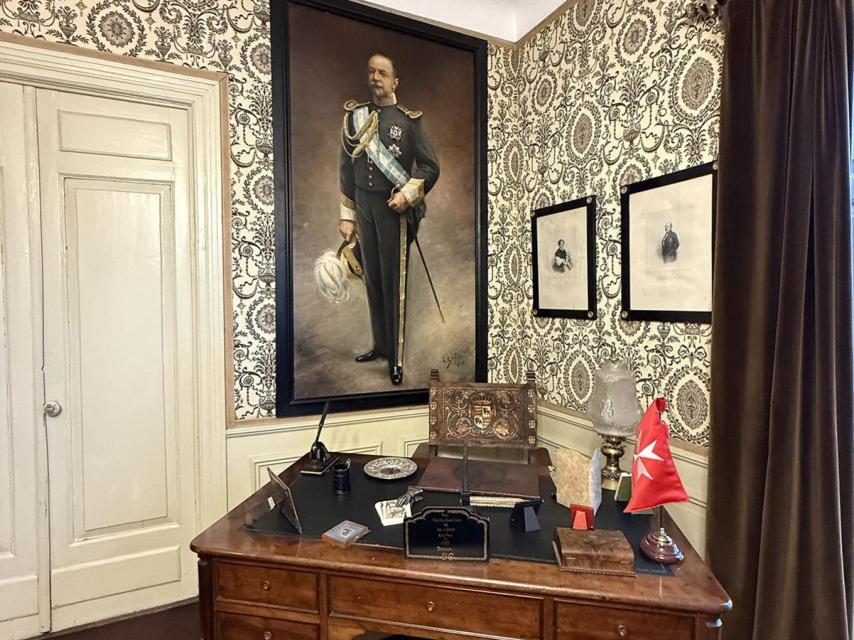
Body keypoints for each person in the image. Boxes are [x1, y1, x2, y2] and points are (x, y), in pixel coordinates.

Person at [338, 52, 440, 386]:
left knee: (394, 281)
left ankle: (395, 358)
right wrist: (348, 216)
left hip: (392, 209)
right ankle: (380, 346)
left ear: (395, 81)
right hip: (364, 207)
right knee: (373, 278)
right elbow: (346, 169)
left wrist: (407, 195)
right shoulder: (354, 118)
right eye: (372, 71)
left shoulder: (409, 121)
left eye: (383, 73)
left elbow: (430, 167)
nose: (376, 77)